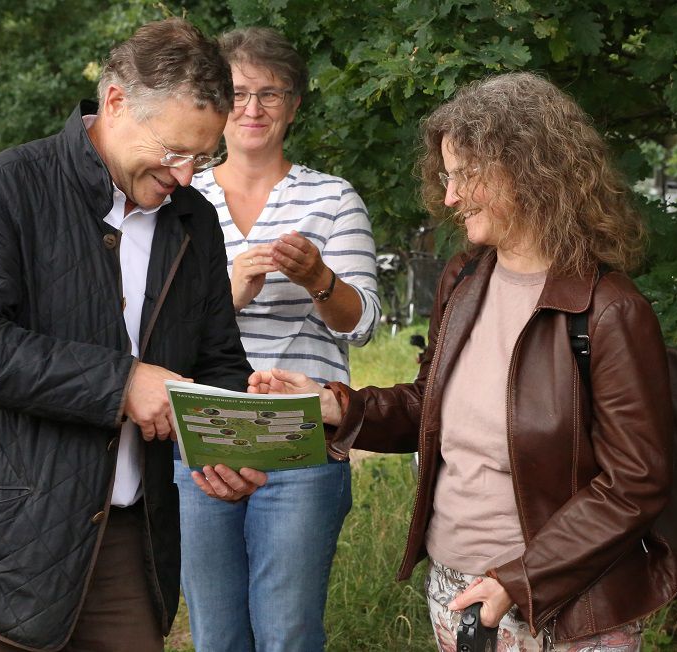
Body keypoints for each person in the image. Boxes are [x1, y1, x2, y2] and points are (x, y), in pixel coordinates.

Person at [249, 72, 677, 650]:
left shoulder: (609, 310)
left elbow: (636, 484)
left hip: (567, 608)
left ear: (528, 170)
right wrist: (334, 405)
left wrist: (518, 580)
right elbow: (426, 406)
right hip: (456, 588)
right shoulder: (464, 279)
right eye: (447, 177)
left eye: (466, 175)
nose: (450, 198)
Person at [0, 18, 263, 652]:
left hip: (127, 541)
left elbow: (217, 357)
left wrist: (232, 442)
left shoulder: (194, 220)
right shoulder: (0, 190)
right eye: (174, 151)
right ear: (115, 101)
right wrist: (122, 384)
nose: (185, 175)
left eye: (204, 157)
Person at [175, 27, 380, 652]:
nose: (253, 108)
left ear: (293, 105)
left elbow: (363, 324)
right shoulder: (180, 195)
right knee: (216, 633)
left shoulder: (333, 197)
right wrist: (230, 293)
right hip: (205, 430)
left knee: (287, 632)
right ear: (217, 100)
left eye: (271, 93)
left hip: (301, 431)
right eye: (238, 93)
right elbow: (150, 331)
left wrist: (319, 279)